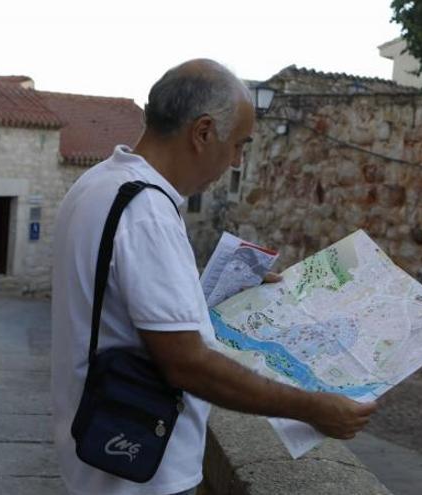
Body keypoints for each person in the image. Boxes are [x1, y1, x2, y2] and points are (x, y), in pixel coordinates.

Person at [51, 59, 377, 495]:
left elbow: (120, 301)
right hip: (139, 474)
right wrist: (312, 408)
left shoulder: (99, 183)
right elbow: (186, 363)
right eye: (239, 144)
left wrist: (216, 294)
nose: (237, 161)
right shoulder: (148, 213)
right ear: (203, 132)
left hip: (95, 450)